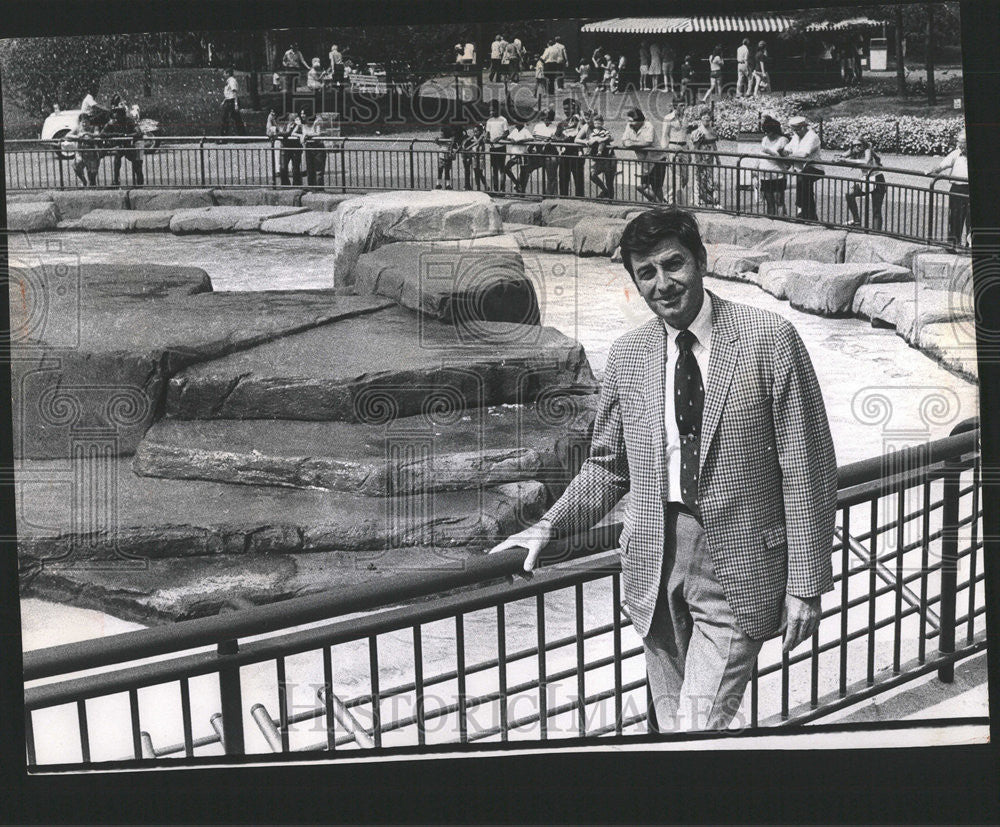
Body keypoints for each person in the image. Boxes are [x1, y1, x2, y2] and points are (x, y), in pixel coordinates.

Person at [489, 207, 838, 733]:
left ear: (700, 261)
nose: (662, 284)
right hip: (652, 563)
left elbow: (808, 468)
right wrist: (547, 525)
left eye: (673, 264)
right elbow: (609, 467)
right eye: (645, 273)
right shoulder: (630, 355)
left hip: (737, 566)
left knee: (693, 729)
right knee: (676, 723)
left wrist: (807, 585)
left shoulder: (770, 339)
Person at [927, 129, 969, 246]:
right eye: (959, 142)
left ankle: (971, 247)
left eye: (962, 142)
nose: (959, 145)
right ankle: (953, 244)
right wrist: (932, 170)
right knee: (955, 217)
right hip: (956, 189)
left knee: (971, 220)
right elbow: (942, 165)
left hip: (969, 189)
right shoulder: (956, 153)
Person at [837, 137, 886, 231]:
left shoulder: (868, 150)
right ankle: (856, 221)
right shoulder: (854, 150)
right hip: (866, 179)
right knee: (849, 194)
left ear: (864, 144)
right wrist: (842, 157)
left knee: (876, 210)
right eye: (854, 145)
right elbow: (842, 156)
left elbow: (866, 161)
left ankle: (877, 233)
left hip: (877, 179)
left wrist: (847, 161)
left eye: (859, 145)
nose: (857, 147)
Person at [621, 107, 664, 203]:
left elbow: (648, 142)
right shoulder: (629, 126)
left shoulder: (648, 126)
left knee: (657, 186)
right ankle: (659, 203)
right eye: (629, 121)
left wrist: (631, 144)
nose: (630, 123)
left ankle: (659, 205)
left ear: (640, 121)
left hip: (657, 159)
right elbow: (624, 140)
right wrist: (628, 143)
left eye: (632, 121)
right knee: (641, 186)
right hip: (645, 161)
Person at [787, 116, 823, 221]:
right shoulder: (796, 136)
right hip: (801, 168)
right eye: (794, 130)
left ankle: (804, 211)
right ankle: (808, 213)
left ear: (803, 127)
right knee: (804, 186)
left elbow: (804, 154)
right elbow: (787, 148)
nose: (796, 132)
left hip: (814, 167)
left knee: (802, 179)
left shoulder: (812, 137)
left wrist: (789, 156)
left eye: (797, 129)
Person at [102, 102, 144, 186]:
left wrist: (126, 135)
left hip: (129, 145)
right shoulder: (112, 122)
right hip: (120, 145)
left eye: (119, 112)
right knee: (117, 160)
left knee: (137, 163)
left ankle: (139, 181)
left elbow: (139, 132)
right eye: (116, 112)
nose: (116, 115)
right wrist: (116, 135)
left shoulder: (129, 120)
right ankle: (116, 180)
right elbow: (102, 134)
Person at [577, 112, 616, 200]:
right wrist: (587, 142)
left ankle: (611, 201)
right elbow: (577, 139)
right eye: (586, 119)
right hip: (597, 159)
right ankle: (605, 190)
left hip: (608, 157)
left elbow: (611, 137)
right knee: (592, 175)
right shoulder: (587, 127)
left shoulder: (602, 129)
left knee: (609, 180)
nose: (587, 120)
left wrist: (601, 139)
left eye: (589, 118)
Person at [522, 108, 560, 195]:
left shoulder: (554, 127)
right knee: (525, 169)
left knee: (551, 176)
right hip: (538, 153)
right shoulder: (538, 126)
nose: (546, 119)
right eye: (545, 117)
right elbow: (533, 139)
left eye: (548, 117)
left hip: (550, 154)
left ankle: (549, 196)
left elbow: (554, 141)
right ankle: (521, 190)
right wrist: (529, 150)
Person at [757, 115, 789, 216]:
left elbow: (786, 160)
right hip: (764, 174)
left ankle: (781, 220)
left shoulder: (783, 140)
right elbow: (760, 155)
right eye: (765, 132)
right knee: (769, 201)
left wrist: (771, 153)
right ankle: (770, 220)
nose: (767, 134)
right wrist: (756, 168)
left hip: (777, 173)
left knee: (779, 200)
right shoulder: (764, 139)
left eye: (769, 132)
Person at [660, 100, 690, 205]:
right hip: (673, 148)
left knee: (685, 178)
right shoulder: (668, 118)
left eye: (684, 105)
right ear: (675, 106)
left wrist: (688, 150)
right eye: (681, 105)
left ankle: (668, 197)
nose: (684, 107)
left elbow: (686, 134)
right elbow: (664, 136)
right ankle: (681, 204)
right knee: (677, 177)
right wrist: (666, 152)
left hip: (684, 148)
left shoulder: (686, 118)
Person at [689, 109, 720, 207]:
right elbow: (695, 147)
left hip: (710, 159)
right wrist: (697, 159)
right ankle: (696, 200)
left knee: (711, 180)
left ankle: (714, 201)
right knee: (698, 179)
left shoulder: (713, 130)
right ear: (701, 118)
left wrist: (718, 158)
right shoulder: (697, 132)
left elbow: (714, 145)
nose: (706, 118)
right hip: (700, 158)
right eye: (704, 116)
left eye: (708, 116)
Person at [557, 98, 585, 197]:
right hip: (564, 155)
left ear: (574, 109)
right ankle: (563, 200)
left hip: (577, 155)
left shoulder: (580, 122)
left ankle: (580, 202)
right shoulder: (561, 124)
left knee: (579, 181)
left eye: (569, 109)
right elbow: (557, 137)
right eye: (565, 109)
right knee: (563, 180)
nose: (566, 111)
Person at [67, 114, 102, 186]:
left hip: (92, 153)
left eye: (86, 122)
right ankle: (84, 181)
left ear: (89, 122)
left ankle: (92, 186)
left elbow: (97, 134)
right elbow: (68, 135)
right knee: (76, 166)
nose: (84, 124)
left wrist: (87, 133)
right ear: (80, 122)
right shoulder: (77, 128)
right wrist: (77, 136)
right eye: (83, 122)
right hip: (81, 153)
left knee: (92, 175)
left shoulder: (94, 127)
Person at [503, 117, 534, 192]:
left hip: (522, 154)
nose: (515, 124)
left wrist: (521, 141)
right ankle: (516, 183)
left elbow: (531, 139)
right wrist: (511, 140)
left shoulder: (525, 131)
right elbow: (508, 138)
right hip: (515, 155)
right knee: (506, 168)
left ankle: (522, 191)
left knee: (523, 173)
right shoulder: (515, 130)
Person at [484, 101, 510, 192]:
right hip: (493, 148)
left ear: (497, 110)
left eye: (493, 110)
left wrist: (499, 138)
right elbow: (487, 133)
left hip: (501, 147)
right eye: (490, 111)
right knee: (494, 169)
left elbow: (507, 132)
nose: (491, 112)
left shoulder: (503, 120)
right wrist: (487, 138)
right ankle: (495, 189)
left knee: (501, 169)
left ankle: (502, 189)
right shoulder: (489, 121)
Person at [278, 112, 305, 185]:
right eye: (292, 119)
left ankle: (297, 184)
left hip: (295, 148)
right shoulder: (285, 125)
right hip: (285, 147)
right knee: (283, 167)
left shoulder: (299, 125)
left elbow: (288, 133)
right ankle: (285, 184)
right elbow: (285, 133)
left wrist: (277, 134)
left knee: (296, 167)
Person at [460, 122, 489, 191]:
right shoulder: (474, 136)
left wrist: (468, 147)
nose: (475, 132)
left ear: (480, 131)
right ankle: (478, 187)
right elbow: (467, 140)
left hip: (480, 157)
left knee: (479, 173)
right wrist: (464, 143)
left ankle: (485, 185)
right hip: (474, 156)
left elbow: (477, 142)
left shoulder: (482, 136)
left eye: (476, 131)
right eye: (474, 131)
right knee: (476, 172)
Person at [435, 124, 461, 189]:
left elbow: (453, 145)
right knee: (440, 170)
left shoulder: (450, 140)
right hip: (441, 157)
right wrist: (437, 140)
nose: (441, 134)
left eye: (442, 133)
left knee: (447, 171)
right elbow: (437, 142)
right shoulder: (441, 140)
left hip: (447, 158)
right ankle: (438, 184)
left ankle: (447, 184)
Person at [220, 67, 245, 136]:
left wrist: (236, 104)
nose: (223, 74)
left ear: (228, 73)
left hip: (232, 102)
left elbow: (234, 92)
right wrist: (224, 101)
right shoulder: (229, 81)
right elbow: (229, 93)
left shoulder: (232, 81)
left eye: (224, 73)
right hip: (229, 101)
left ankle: (224, 137)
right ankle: (242, 135)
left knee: (226, 119)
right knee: (236, 119)